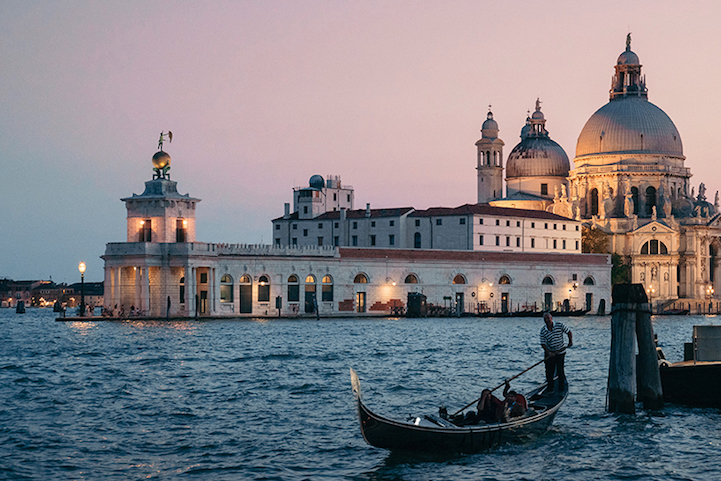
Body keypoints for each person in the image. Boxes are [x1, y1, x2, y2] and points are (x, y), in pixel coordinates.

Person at [540, 312, 573, 392]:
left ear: (551, 318)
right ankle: (550, 387)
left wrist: (570, 342)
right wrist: (549, 352)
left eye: (548, 318)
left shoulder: (559, 325)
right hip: (550, 352)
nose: (547, 320)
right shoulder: (543, 330)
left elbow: (569, 332)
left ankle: (561, 388)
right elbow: (543, 343)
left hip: (560, 352)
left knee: (560, 370)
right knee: (549, 371)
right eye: (545, 319)